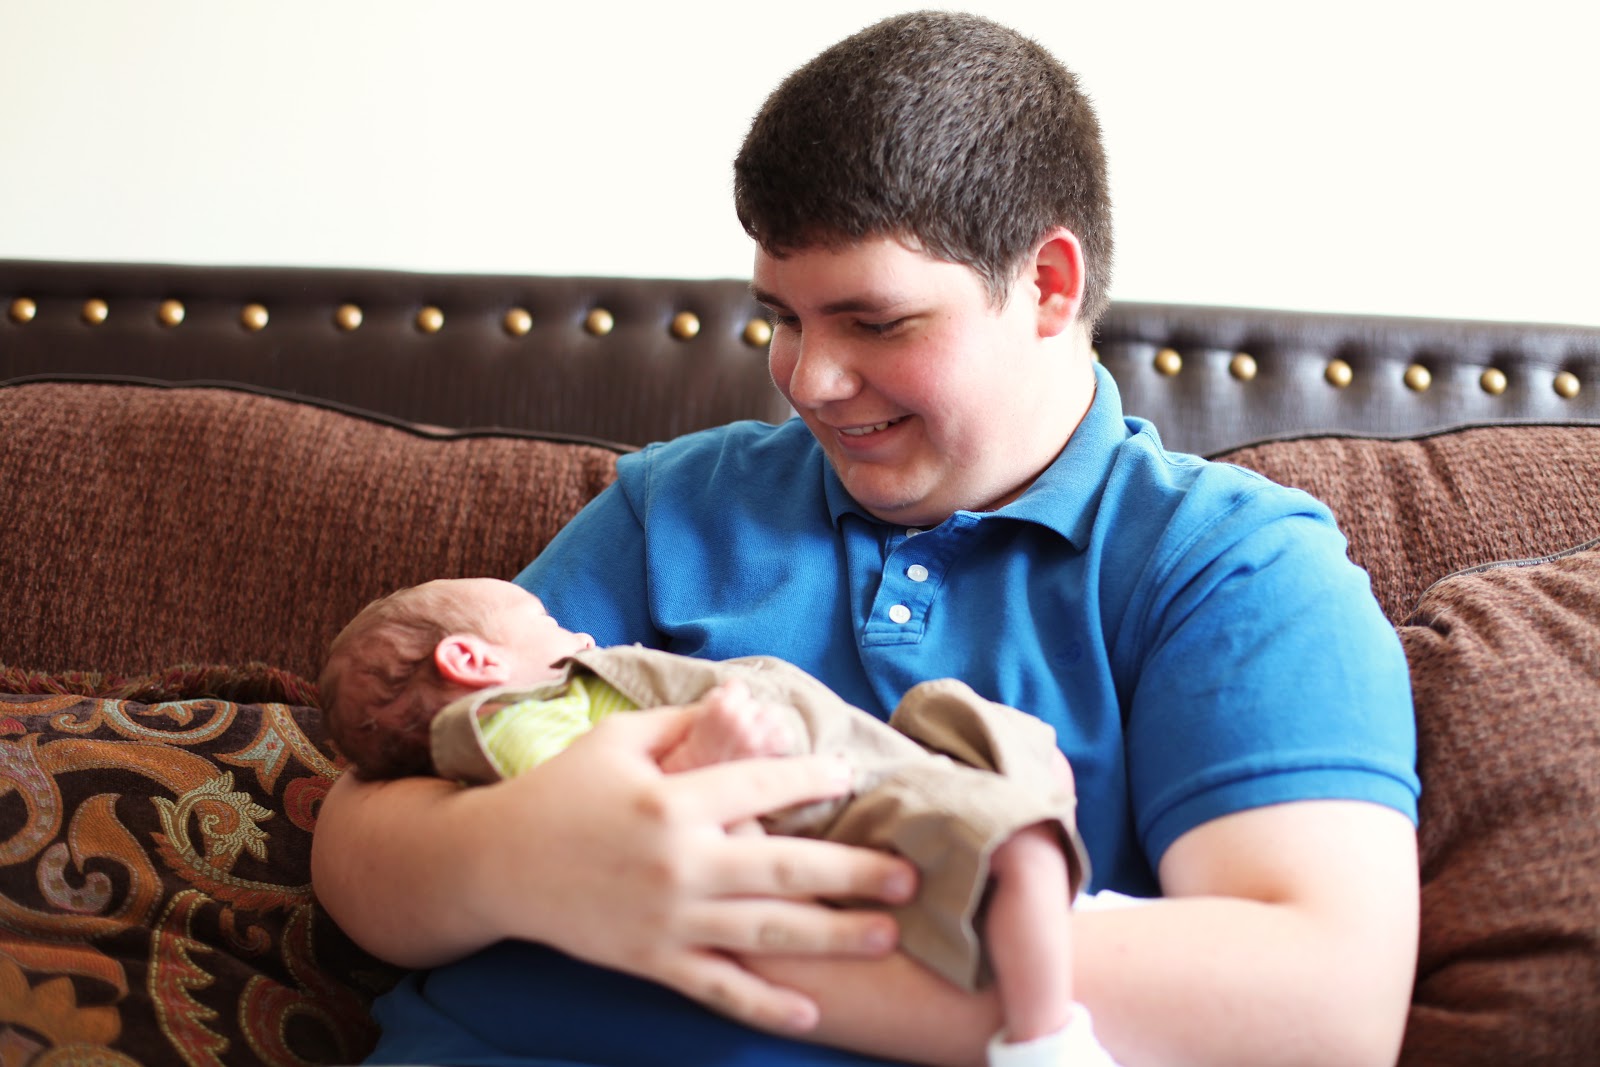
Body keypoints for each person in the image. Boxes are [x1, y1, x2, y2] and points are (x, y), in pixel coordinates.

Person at [312, 11, 1420, 1067]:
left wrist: (683, 919)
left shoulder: (1227, 565)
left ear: (1046, 285)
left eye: (875, 322)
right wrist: (520, 864)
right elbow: (363, 820)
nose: (809, 379)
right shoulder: (678, 503)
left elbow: (1320, 1012)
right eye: (782, 318)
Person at [318, 576, 1121, 1065]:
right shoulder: (524, 715)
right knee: (1020, 839)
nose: (583, 634)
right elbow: (603, 824)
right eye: (552, 622)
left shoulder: (1178, 542)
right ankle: (1045, 1036)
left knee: (983, 752)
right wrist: (705, 754)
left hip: (867, 797)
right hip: (818, 832)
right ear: (472, 659)